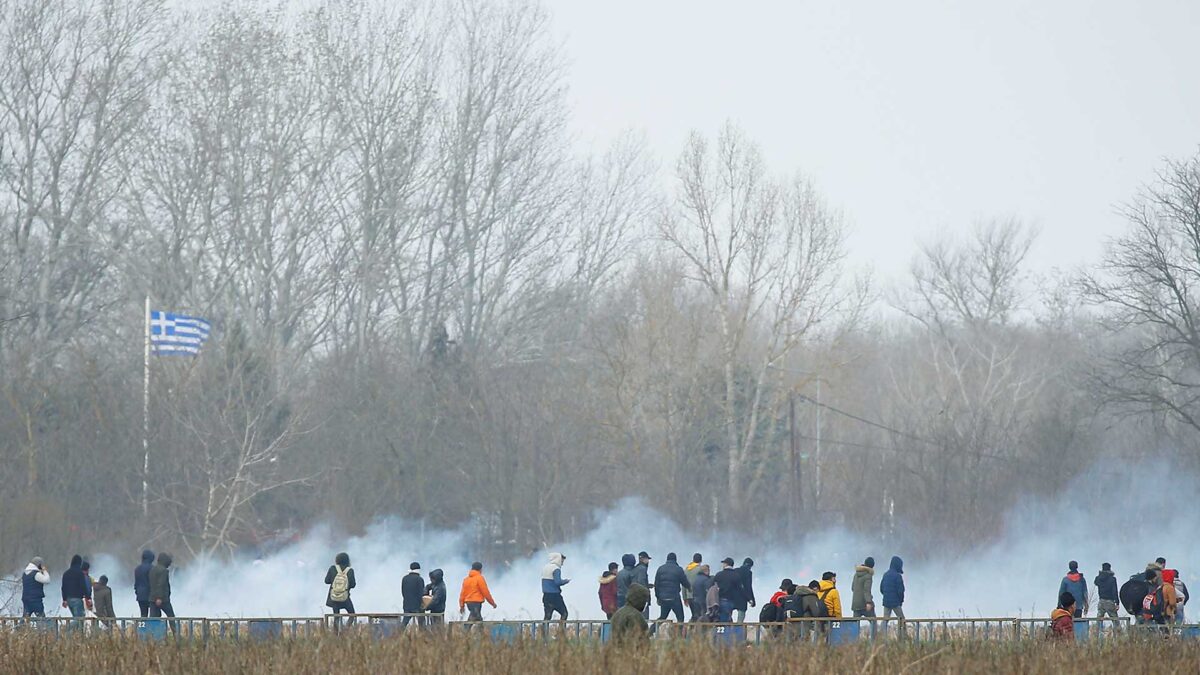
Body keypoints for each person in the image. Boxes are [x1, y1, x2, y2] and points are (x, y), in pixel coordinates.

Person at [652, 552, 690, 624]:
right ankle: (678, 634)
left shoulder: (660, 569)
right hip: (674, 598)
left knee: (662, 617)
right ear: (675, 560)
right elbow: (685, 583)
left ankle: (650, 632)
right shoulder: (678, 569)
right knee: (680, 618)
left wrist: (658, 597)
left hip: (663, 598)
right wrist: (690, 588)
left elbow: (656, 585)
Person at [610, 583, 650, 647]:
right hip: (632, 654)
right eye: (644, 599)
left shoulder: (618, 613)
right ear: (639, 599)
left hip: (616, 653)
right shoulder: (635, 616)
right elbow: (639, 641)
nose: (645, 603)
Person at [148, 552, 177, 635]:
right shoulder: (163, 571)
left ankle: (151, 636)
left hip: (152, 598)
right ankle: (175, 635)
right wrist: (159, 597)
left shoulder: (152, 569)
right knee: (171, 616)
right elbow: (161, 584)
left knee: (153, 619)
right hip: (163, 599)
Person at [325, 552, 356, 618]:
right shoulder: (350, 570)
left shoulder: (332, 568)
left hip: (334, 597)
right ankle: (346, 627)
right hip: (345, 597)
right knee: (352, 615)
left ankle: (336, 628)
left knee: (336, 616)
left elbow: (326, 581)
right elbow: (353, 585)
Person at [880, 556, 905, 635]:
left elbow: (881, 588)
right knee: (901, 619)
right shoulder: (898, 576)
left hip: (886, 602)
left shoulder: (885, 575)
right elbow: (900, 591)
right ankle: (903, 637)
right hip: (895, 602)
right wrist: (900, 601)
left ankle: (881, 637)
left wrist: (886, 596)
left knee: (885, 620)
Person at [61, 554, 91, 622]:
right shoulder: (80, 573)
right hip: (77, 599)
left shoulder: (66, 573)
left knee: (76, 618)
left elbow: (63, 588)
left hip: (69, 600)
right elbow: (83, 586)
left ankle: (77, 632)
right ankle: (68, 628)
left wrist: (64, 599)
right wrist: (88, 598)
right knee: (80, 619)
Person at [541, 552, 570, 620]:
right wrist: (565, 581)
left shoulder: (545, 567)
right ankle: (561, 630)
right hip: (555, 596)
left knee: (547, 617)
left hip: (546, 596)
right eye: (562, 561)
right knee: (564, 613)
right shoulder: (556, 569)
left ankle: (543, 630)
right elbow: (558, 582)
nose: (562, 563)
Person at [713, 557, 741, 623]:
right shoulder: (736, 575)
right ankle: (728, 632)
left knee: (722, 620)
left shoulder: (719, 575)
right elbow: (739, 589)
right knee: (728, 618)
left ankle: (721, 633)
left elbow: (713, 587)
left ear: (726, 564)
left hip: (721, 600)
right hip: (732, 601)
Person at [1094, 562, 1119, 629]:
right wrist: (1117, 602)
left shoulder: (1098, 578)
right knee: (1115, 621)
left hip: (1101, 601)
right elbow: (1114, 591)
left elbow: (1095, 582)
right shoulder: (1112, 579)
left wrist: (1100, 574)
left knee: (1099, 620)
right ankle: (1118, 636)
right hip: (1110, 601)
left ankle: (1097, 636)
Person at [732, 558, 756, 623]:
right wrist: (752, 599)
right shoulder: (748, 572)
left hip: (732, 597)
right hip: (742, 597)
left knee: (728, 616)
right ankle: (737, 631)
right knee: (740, 619)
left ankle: (729, 630)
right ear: (751, 566)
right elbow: (748, 587)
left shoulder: (735, 570)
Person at [134, 549, 155, 617]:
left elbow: (136, 583)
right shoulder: (152, 568)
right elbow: (153, 582)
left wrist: (137, 592)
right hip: (150, 595)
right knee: (153, 615)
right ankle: (152, 627)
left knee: (143, 615)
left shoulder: (137, 569)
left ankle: (143, 627)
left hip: (140, 595)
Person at [684, 553, 702, 621]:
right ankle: (697, 630)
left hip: (689, 596)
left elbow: (684, 584)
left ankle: (691, 628)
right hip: (698, 596)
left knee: (694, 615)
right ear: (701, 560)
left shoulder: (686, 569)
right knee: (699, 616)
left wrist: (684, 597)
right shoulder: (700, 569)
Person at [634, 551, 652, 619]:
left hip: (636, 597)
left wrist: (648, 585)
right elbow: (641, 582)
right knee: (644, 619)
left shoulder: (636, 568)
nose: (648, 561)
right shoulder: (642, 569)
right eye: (647, 559)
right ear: (642, 559)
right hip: (642, 598)